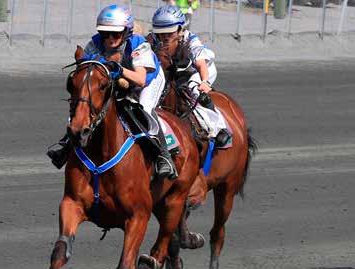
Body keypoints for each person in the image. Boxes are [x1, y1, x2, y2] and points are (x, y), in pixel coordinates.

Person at [47, 4, 178, 179]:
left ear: (126, 31)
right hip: (116, 81)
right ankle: (66, 145)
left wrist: (120, 70)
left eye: (115, 33)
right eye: (104, 33)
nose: (109, 38)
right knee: (85, 106)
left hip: (148, 81)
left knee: (143, 108)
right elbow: (87, 69)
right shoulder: (94, 43)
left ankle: (163, 156)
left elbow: (139, 79)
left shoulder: (139, 45)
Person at [149, 5, 231, 146]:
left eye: (170, 33)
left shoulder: (191, 41)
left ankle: (219, 128)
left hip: (199, 71)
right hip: (175, 73)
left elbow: (201, 65)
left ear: (180, 30)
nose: (165, 38)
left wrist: (204, 82)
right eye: (161, 33)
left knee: (194, 89)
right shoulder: (152, 40)